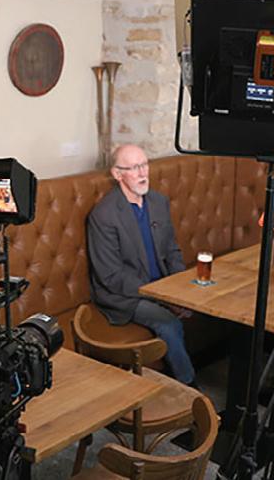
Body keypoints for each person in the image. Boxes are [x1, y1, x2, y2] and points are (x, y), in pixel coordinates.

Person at [87, 144, 197, 386]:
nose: (143, 173)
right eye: (134, 168)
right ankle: (189, 387)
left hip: (161, 286)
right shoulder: (104, 215)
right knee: (168, 322)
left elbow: (172, 251)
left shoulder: (158, 202)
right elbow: (110, 276)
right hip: (124, 296)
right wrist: (161, 296)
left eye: (144, 165)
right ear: (117, 174)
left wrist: (182, 289)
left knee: (203, 302)